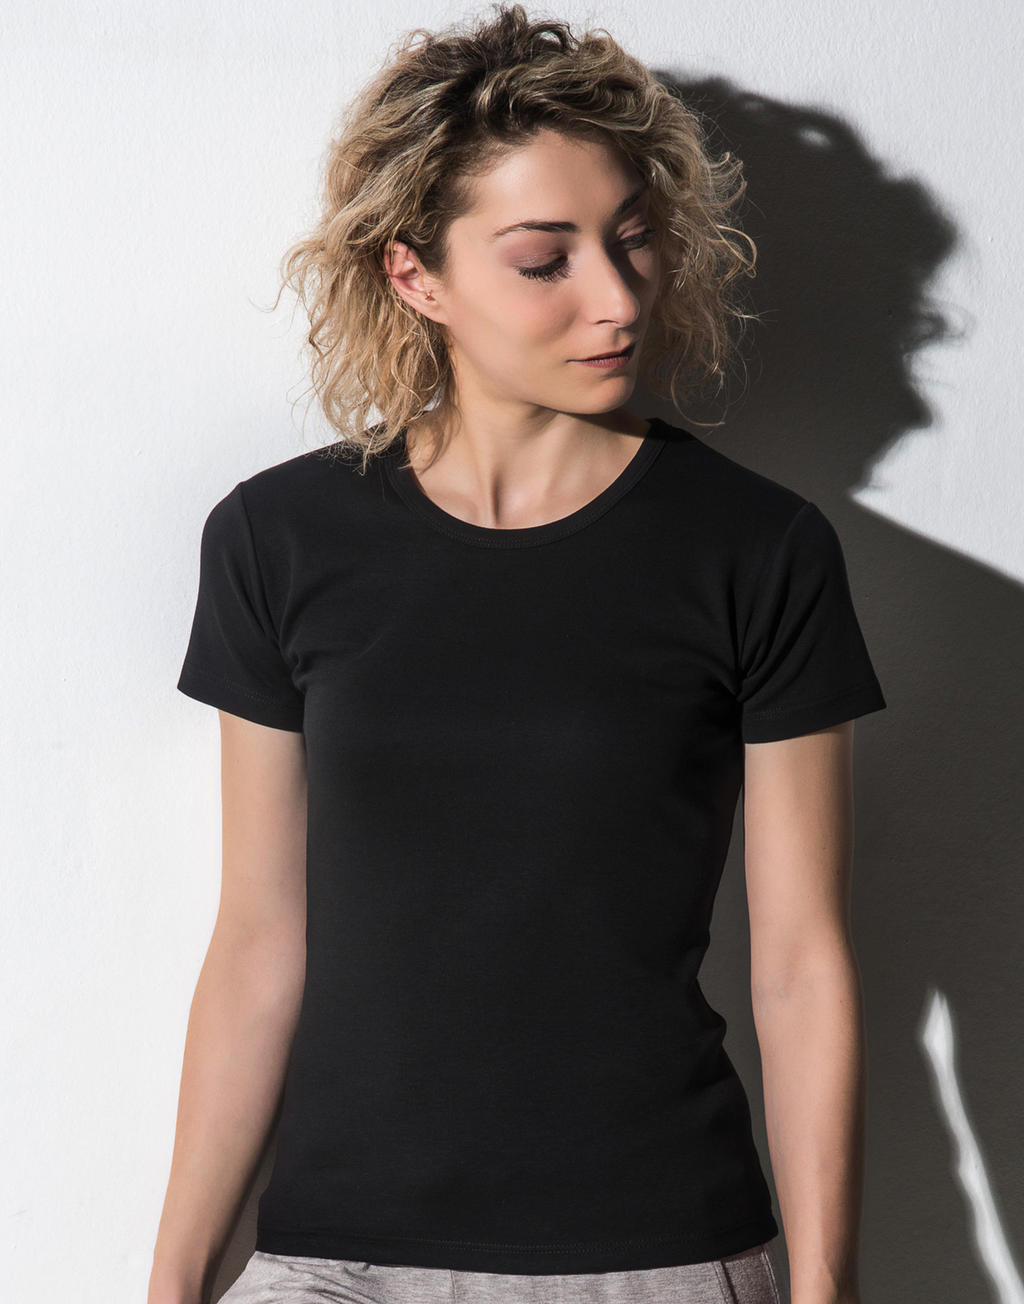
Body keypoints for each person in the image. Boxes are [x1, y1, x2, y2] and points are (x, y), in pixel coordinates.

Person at [149, 6, 886, 1304]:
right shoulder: (278, 539)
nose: (618, 298)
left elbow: (801, 967)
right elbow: (260, 944)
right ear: (415, 277)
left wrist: (827, 1293)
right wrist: (170, 1287)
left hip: (658, 1254)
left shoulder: (758, 549)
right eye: (546, 260)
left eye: (634, 238)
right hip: (337, 1261)